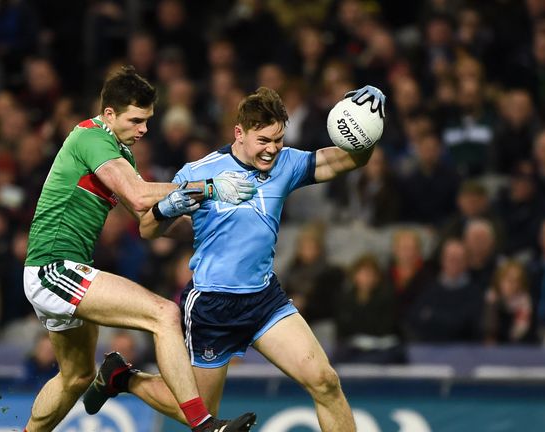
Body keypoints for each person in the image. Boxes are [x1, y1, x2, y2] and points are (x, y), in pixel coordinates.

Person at [84, 85, 386, 431]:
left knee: (326, 382)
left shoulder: (287, 163)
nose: (272, 149)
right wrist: (170, 206)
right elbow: (148, 229)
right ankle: (123, 378)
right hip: (213, 307)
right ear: (239, 133)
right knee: (197, 412)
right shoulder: (198, 172)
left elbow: (350, 159)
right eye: (263, 141)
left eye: (278, 140)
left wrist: (369, 125)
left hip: (264, 300)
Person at [21, 65, 258, 432]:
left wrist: (204, 222)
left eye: (147, 120)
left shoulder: (121, 156)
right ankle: (204, 425)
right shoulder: (90, 136)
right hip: (55, 269)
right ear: (109, 114)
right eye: (135, 120)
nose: (144, 129)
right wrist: (209, 186)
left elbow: (149, 223)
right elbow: (138, 193)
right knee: (163, 313)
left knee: (77, 376)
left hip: (63, 272)